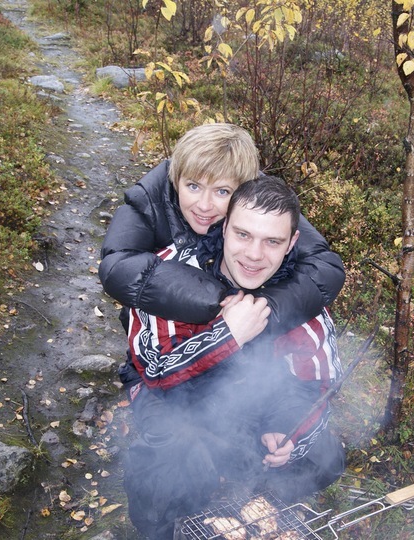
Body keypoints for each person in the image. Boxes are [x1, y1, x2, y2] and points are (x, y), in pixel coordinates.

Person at [123, 176, 345, 540]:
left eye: (272, 241)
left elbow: (317, 383)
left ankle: (252, 506)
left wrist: (287, 428)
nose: (254, 255)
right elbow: (155, 371)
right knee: (171, 462)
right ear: (224, 227)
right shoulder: (169, 274)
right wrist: (227, 337)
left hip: (247, 400)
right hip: (169, 395)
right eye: (243, 235)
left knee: (324, 457)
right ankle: (162, 529)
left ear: (291, 243)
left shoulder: (302, 294)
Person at [98, 123, 345, 386]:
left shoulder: (261, 207)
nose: (204, 205)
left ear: (242, 192)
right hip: (155, 324)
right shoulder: (147, 202)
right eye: (193, 186)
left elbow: (323, 268)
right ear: (176, 180)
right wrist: (220, 301)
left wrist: (261, 311)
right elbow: (117, 268)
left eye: (222, 191)